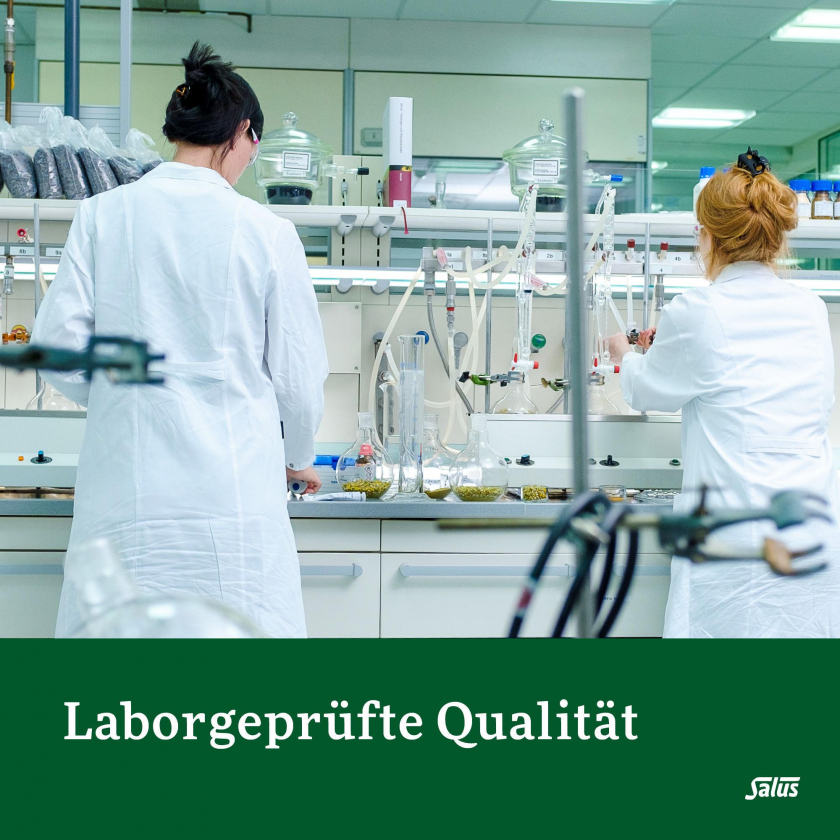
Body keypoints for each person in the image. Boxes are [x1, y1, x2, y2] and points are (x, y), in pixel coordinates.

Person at [32, 43, 329, 638]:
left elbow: (57, 351)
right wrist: (298, 457)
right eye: (253, 148)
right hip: (233, 511)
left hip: (124, 506)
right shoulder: (267, 232)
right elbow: (297, 382)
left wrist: (122, 398)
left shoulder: (100, 216)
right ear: (242, 133)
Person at [609, 154, 840, 638]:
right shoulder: (811, 308)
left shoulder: (698, 308)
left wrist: (623, 355)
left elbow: (647, 391)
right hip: (811, 530)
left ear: (708, 236)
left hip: (736, 543)